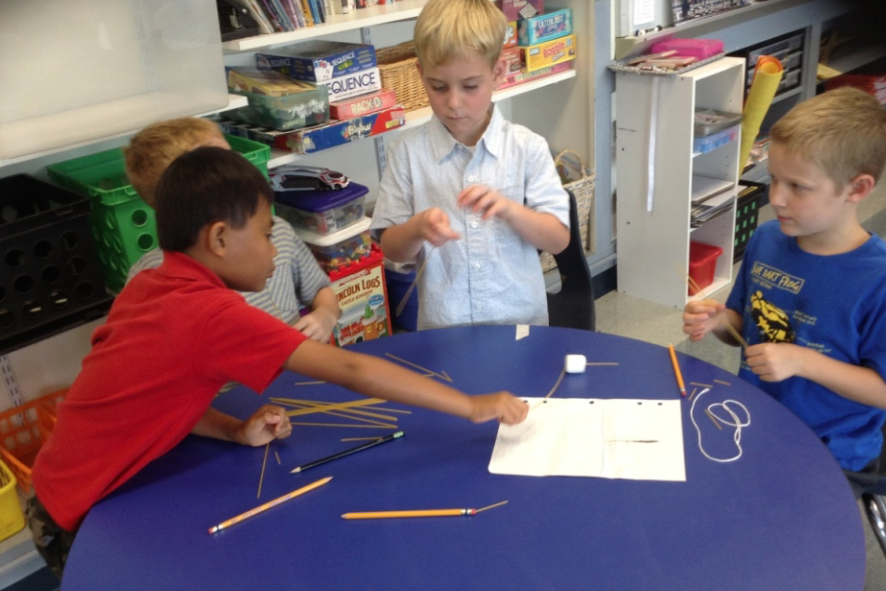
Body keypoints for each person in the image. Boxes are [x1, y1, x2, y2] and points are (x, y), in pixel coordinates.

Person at [26, 147, 529, 578]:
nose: (275, 250)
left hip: (57, 485)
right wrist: (469, 405)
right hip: (81, 514)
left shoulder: (152, 285)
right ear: (219, 239)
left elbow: (155, 397)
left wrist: (232, 431)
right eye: (267, 234)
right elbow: (350, 369)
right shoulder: (212, 315)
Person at [682, 87, 886, 484]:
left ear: (857, 189)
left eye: (798, 186)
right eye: (775, 179)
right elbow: (742, 324)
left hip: (830, 450)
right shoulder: (767, 239)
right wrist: (719, 321)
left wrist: (802, 361)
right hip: (755, 420)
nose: (776, 198)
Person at [371, 0, 570, 330]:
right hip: (444, 329)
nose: (453, 103)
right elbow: (392, 249)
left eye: (470, 86)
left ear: (498, 73)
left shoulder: (527, 148)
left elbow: (558, 240)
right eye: (438, 87)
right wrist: (416, 229)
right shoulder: (406, 153)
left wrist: (510, 210)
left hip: (521, 326)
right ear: (420, 74)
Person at [125, 118, 340, 342]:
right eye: (222, 162)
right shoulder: (150, 276)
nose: (239, 166)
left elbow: (319, 290)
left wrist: (326, 315)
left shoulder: (279, 233)